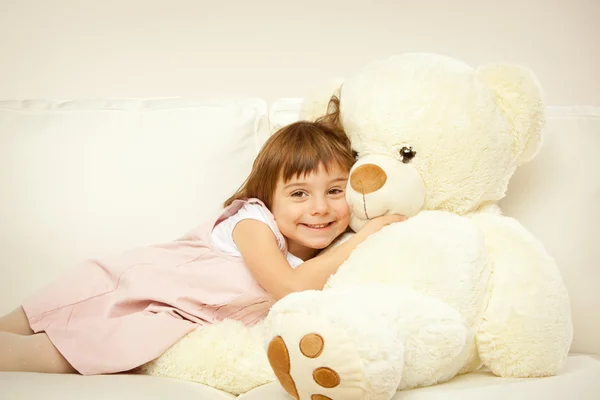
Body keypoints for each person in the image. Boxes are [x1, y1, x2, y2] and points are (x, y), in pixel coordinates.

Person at [0, 119, 406, 376]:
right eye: (299, 193)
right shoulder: (253, 221)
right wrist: (366, 236)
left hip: (173, 317)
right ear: (269, 197)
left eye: (335, 191)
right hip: (133, 282)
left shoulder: (327, 248)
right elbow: (291, 288)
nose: (320, 208)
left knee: (73, 354)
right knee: (21, 326)